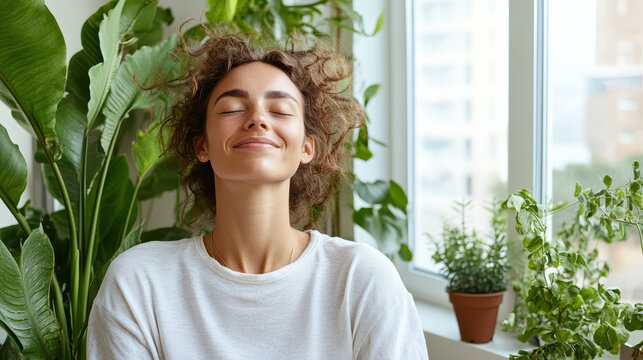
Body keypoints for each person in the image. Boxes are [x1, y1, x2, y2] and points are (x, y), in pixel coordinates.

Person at [87, 31, 429, 359]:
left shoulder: (362, 280)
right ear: (202, 144)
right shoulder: (139, 282)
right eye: (233, 108)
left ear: (307, 147)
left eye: (279, 110)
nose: (257, 119)